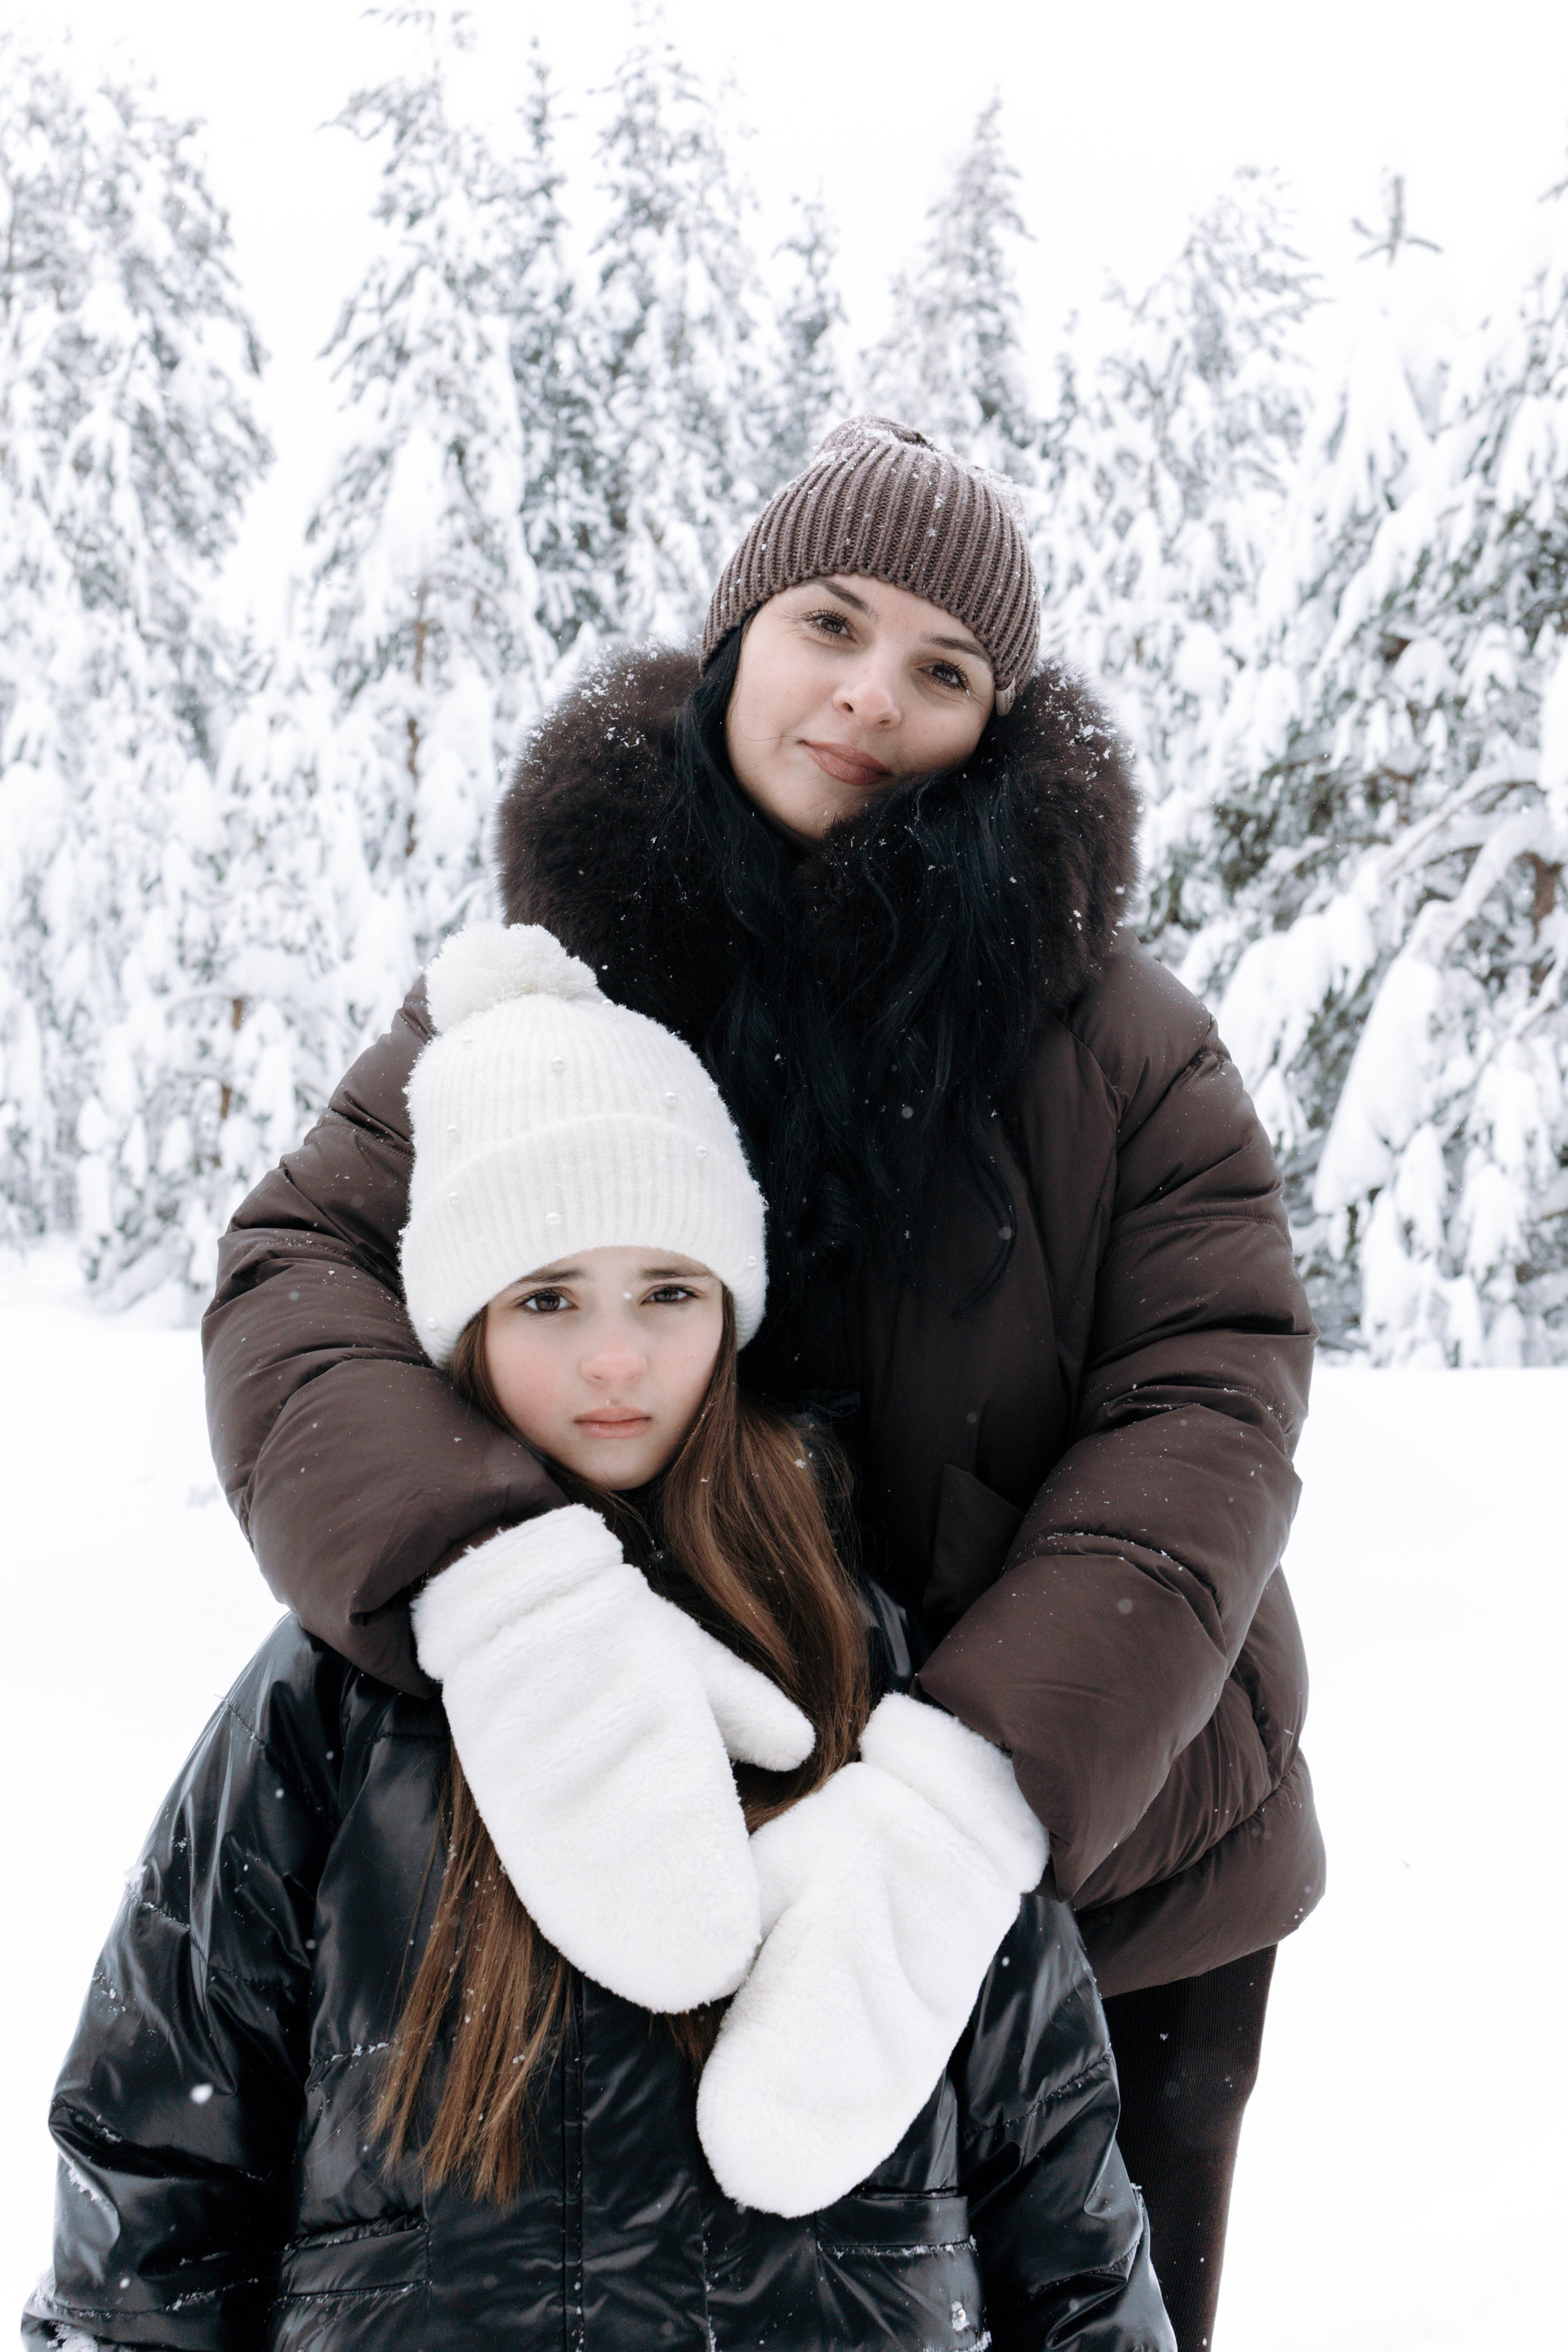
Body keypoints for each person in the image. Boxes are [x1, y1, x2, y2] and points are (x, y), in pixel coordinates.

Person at [204, 417, 1325, 2351]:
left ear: (997, 724)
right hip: (632, 1849)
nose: (874, 693)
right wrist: (511, 1601)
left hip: (1106, 1883)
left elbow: (1207, 1409)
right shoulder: (554, 986)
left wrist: (966, 1800)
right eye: (832, 622)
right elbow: (297, 1278)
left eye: (944, 668)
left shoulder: (1128, 1046)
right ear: (738, 635)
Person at [26, 925, 1172, 2352]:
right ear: (466, 1325)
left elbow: (1053, 2176)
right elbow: (158, 2167)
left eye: (668, 1291)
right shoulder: (338, 1691)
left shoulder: (870, 1659)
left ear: (732, 1311)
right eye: (549, 1298)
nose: (615, 1357)